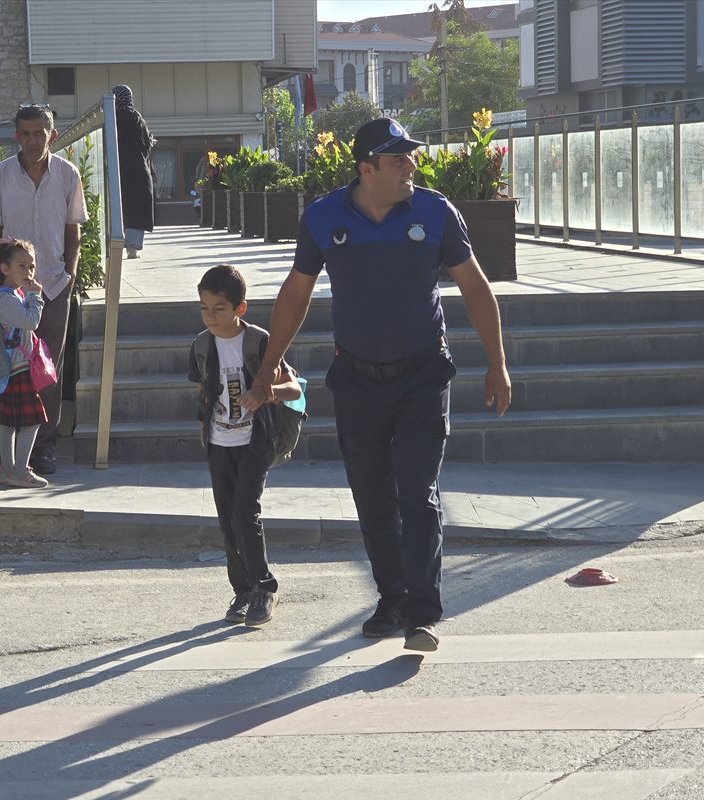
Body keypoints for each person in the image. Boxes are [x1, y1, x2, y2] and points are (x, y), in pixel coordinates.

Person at [251, 117, 512, 653]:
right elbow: (295, 294)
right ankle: (391, 599)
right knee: (372, 500)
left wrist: (497, 362)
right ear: (367, 169)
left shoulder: (436, 212)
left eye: (410, 158)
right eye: (398, 160)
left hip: (423, 373)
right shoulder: (324, 217)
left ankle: (422, 613)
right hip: (356, 379)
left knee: (418, 494)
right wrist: (268, 364)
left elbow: (476, 287)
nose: (411, 168)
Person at [188, 264, 303, 627]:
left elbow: (295, 390)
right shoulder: (201, 345)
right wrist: (202, 424)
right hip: (219, 442)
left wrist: (264, 393)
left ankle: (265, 588)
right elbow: (202, 390)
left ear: (240, 308)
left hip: (256, 440)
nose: (210, 316)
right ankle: (242, 592)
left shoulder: (258, 341)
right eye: (204, 308)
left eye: (219, 308)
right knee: (227, 520)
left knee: (244, 514)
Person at [0, 102, 87, 475]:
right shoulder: (1, 176)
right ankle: (0, 450)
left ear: (51, 135)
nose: (30, 140)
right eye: (24, 133)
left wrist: (70, 277)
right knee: (3, 366)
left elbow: (73, 233)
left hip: (53, 288)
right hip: (10, 293)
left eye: (38, 133)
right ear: (16, 136)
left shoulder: (68, 175)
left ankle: (43, 448)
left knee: (46, 369)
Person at [0, 239, 49, 487]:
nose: (29, 272)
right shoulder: (7, 299)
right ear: (5, 268)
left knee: (9, 421)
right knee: (31, 420)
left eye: (32, 266)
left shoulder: (9, 295)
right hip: (17, 367)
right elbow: (31, 321)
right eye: (22, 266)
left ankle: (9, 470)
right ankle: (20, 470)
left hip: (10, 366)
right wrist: (36, 296)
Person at [112, 85, 155, 259]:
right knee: (136, 206)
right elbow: (146, 143)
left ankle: (115, 242)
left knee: (118, 205)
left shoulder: (111, 118)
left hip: (116, 169)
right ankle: (132, 247)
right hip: (137, 170)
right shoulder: (136, 117)